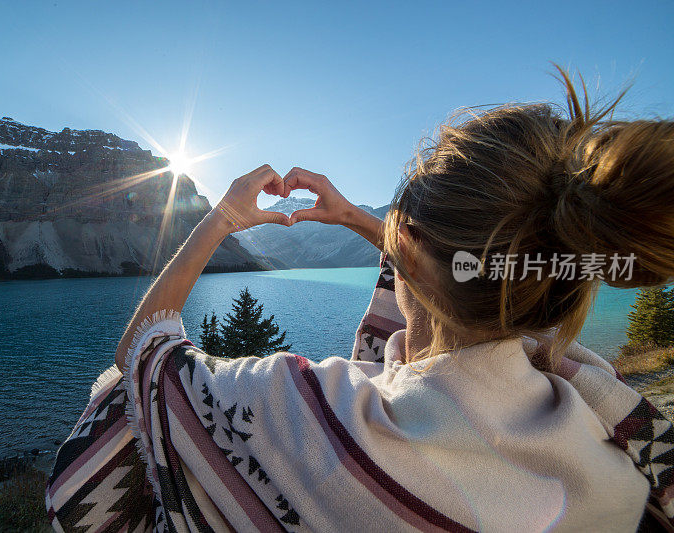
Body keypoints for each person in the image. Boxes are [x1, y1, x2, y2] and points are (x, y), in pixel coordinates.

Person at [45, 68, 674, 532]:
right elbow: (460, 277)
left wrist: (218, 221)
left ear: (409, 248)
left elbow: (146, 365)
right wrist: (359, 218)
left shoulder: (305, 416)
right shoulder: (605, 435)